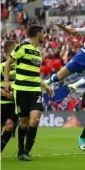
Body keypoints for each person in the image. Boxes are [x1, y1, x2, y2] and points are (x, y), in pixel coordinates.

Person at [4, 24, 54, 161]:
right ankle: (20, 149)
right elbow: (8, 63)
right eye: (43, 33)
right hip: (21, 91)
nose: (44, 36)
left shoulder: (38, 53)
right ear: (38, 34)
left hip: (35, 91)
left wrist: (46, 87)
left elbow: (35, 75)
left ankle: (26, 151)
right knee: (24, 123)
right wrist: (7, 82)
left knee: (36, 119)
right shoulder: (22, 47)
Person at [1, 40, 18, 152]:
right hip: (1, 103)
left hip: (14, 104)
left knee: (10, 126)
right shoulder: (1, 67)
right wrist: (4, 93)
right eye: (16, 50)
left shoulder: (20, 67)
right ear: (11, 52)